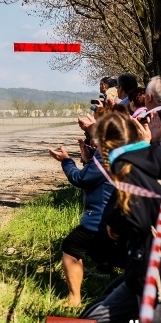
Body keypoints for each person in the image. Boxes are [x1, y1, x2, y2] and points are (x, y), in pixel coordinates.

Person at [73, 111, 161, 323]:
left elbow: (137, 220)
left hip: (158, 281)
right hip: (141, 273)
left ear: (105, 148)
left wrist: (116, 223)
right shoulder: (153, 159)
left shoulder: (127, 170)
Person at [48, 126, 115, 307]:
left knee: (71, 248)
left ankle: (74, 299)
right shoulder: (121, 154)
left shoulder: (105, 157)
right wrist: (89, 159)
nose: (90, 142)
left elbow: (80, 179)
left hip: (100, 219)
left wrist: (66, 161)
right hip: (118, 219)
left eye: (91, 138)